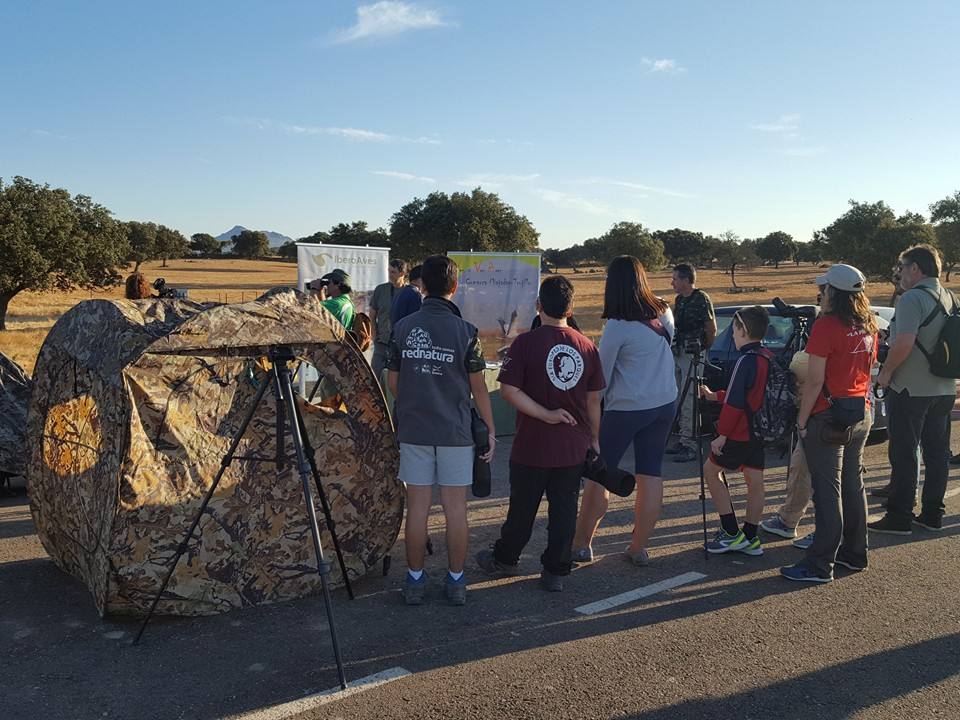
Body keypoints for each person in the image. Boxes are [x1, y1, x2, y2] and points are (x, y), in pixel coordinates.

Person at [475, 276, 604, 591]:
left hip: (532, 446)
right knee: (564, 510)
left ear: (538, 306)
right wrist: (595, 438)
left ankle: (506, 559)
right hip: (572, 447)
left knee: (523, 508)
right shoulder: (587, 346)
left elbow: (508, 390)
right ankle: (556, 571)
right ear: (570, 307)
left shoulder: (525, 343)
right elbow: (593, 401)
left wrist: (544, 415)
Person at [386, 255, 496, 606]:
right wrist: (490, 430)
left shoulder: (402, 328)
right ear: (455, 286)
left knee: (417, 509)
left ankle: (415, 580)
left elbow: (393, 382)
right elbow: (479, 389)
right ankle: (456, 580)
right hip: (455, 433)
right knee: (455, 510)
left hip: (415, 430)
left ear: (422, 286)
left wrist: (416, 401)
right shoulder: (466, 332)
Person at [571, 256, 677, 566]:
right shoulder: (665, 311)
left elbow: (599, 379)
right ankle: (638, 547)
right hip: (663, 403)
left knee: (599, 475)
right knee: (651, 473)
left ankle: (581, 544)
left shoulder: (618, 326)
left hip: (627, 407)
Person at [781, 264, 878, 582]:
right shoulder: (869, 323)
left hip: (828, 416)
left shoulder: (826, 326)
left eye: (824, 288)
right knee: (853, 485)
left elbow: (814, 380)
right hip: (860, 413)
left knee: (827, 491)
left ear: (834, 292)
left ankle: (820, 564)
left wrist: (802, 419)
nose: (820, 292)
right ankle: (854, 552)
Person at [871, 244, 957, 534]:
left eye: (902, 266)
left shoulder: (912, 299)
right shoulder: (950, 297)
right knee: (937, 454)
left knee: (905, 453)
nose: (900, 273)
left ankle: (899, 517)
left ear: (915, 269)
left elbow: (904, 343)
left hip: (910, 387)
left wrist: (885, 373)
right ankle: (932, 513)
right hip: (943, 386)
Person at [698, 306, 771, 556]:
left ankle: (730, 533)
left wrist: (722, 435)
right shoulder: (766, 356)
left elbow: (736, 403)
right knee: (755, 483)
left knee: (711, 471)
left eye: (734, 328)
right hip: (760, 431)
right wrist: (714, 396)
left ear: (742, 330)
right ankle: (750, 537)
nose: (732, 333)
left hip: (739, 432)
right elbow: (747, 395)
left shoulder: (745, 360)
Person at [669, 264, 717, 463]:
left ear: (687, 280)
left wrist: (702, 351)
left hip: (692, 355)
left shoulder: (701, 298)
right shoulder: (679, 300)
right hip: (678, 352)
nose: (672, 283)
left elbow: (711, 329)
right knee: (677, 397)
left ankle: (690, 444)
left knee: (690, 399)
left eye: (675, 279)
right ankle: (682, 437)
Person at [370, 259, 407, 381]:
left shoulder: (408, 292)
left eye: (393, 272)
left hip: (400, 345)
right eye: (389, 271)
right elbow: (372, 314)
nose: (390, 275)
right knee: (374, 379)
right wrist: (374, 336)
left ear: (402, 274)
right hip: (382, 343)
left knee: (396, 380)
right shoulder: (381, 289)